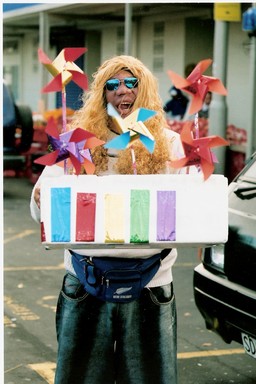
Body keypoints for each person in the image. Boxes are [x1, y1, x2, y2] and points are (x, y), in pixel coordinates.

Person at [30, 55, 192, 384]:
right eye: (112, 84)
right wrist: (40, 199)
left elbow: (187, 210)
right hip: (85, 278)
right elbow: (41, 209)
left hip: (151, 282)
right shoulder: (77, 141)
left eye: (130, 82)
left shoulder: (170, 144)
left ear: (143, 88)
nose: (122, 90)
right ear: (102, 93)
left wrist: (201, 192)